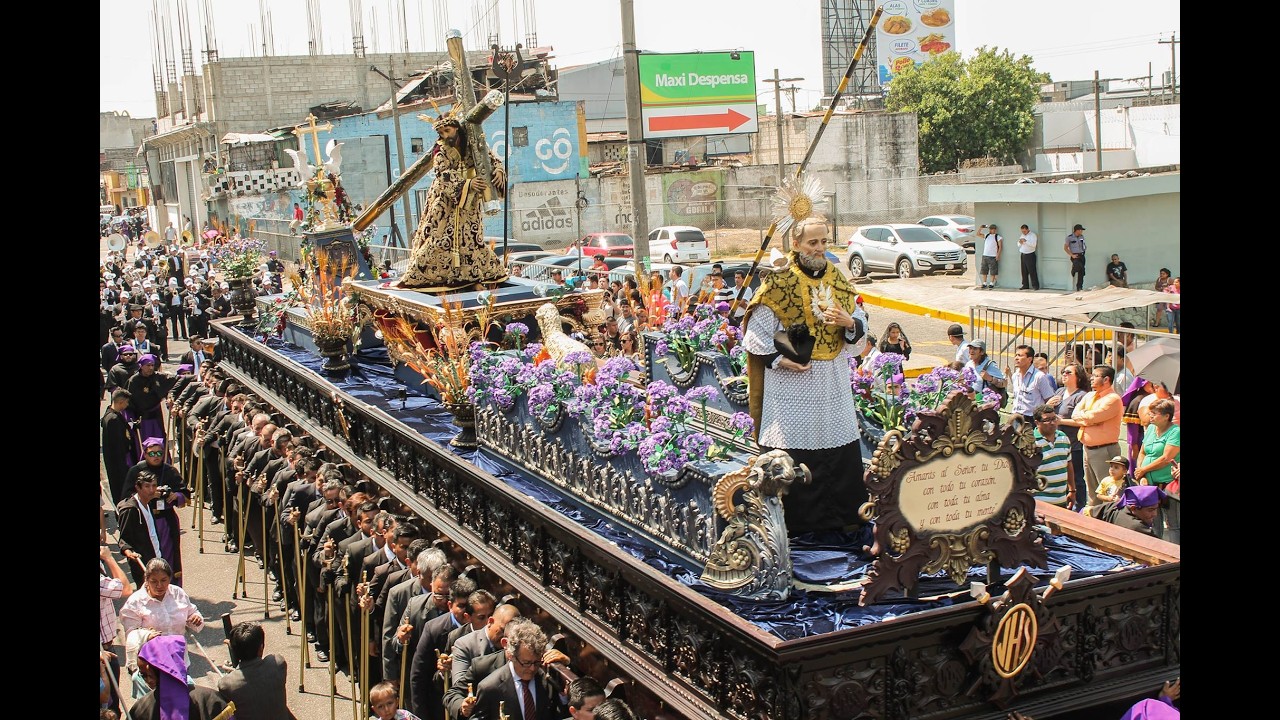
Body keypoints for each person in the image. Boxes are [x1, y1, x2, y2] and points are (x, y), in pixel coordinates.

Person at [743, 215, 868, 534]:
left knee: (840, 458)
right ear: (795, 244)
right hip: (791, 392)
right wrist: (779, 361)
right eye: (813, 242)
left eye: (824, 241)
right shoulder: (778, 281)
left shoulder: (839, 280)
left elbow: (860, 335)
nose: (820, 248)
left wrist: (849, 324)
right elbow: (756, 336)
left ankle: (846, 524)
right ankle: (795, 531)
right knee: (792, 465)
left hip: (833, 389)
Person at [398, 113, 508, 291]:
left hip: (470, 204)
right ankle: (428, 275)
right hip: (446, 203)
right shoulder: (440, 150)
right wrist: (468, 184)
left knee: (471, 239)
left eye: (447, 130)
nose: (445, 135)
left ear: (457, 128)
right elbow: (443, 175)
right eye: (441, 132)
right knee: (438, 239)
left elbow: (491, 160)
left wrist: (498, 171)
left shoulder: (474, 144)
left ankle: (473, 276)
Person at [1058, 364, 1123, 509]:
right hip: (1087, 449)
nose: (1091, 378)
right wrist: (1088, 421)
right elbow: (1075, 415)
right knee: (1093, 492)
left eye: (1095, 376)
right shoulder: (1089, 395)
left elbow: (1093, 416)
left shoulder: (1112, 399)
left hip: (1104, 451)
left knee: (1107, 490)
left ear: (1106, 379)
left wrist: (1087, 420)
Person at [116, 463, 189, 586]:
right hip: (143, 565)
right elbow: (124, 539)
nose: (151, 490)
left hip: (157, 558)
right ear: (137, 488)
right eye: (147, 486)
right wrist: (129, 552)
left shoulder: (149, 503)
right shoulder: (131, 510)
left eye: (154, 486)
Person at [130, 634, 230, 720]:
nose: (148, 680)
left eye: (147, 674)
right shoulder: (209, 699)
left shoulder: (141, 709)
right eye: (143, 675)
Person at [216, 621, 297, 720]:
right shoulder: (277, 664)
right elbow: (257, 685)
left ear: (233, 649)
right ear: (261, 647)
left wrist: (233, 672)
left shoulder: (226, 684)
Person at [118, 558, 205, 641]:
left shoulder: (178, 593)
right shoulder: (135, 602)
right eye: (154, 581)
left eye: (163, 580)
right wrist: (146, 636)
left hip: (178, 652)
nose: (159, 585)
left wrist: (195, 618)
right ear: (147, 580)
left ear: (170, 579)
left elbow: (192, 612)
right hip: (150, 654)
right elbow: (131, 635)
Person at [1046, 362, 1087, 508]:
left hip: (1073, 443)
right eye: (1063, 372)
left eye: (1068, 372)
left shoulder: (1081, 396)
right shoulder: (1060, 392)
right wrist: (1049, 406)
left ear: (1078, 377)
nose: (1064, 374)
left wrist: (1062, 421)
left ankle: (1080, 506)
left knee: (1076, 477)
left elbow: (1083, 420)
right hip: (1057, 442)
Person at [1087, 485, 1165, 537]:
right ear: (1133, 508)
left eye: (1156, 509)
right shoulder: (1138, 528)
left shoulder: (1114, 507)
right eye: (1150, 510)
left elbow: (1087, 511)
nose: (1155, 514)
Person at [102, 388, 134, 504]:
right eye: (126, 402)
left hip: (116, 461)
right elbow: (118, 445)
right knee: (120, 490)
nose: (127, 405)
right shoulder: (113, 420)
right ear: (120, 402)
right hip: (118, 463)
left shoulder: (110, 415)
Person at [1008, 345, 1056, 421]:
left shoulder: (1039, 377)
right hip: (1016, 416)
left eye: (1020, 355)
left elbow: (1050, 399)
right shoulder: (1015, 376)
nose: (1016, 358)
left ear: (1029, 359)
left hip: (1032, 419)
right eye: (1016, 355)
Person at [1064, 224, 1087, 291]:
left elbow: (1083, 245)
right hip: (1075, 255)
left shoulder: (1082, 237)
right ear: (1077, 230)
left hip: (1082, 255)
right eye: (1080, 230)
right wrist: (1071, 255)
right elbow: (1065, 248)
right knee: (1078, 266)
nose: (1081, 231)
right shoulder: (1070, 238)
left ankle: (1079, 287)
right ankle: (1074, 270)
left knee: (1081, 272)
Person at [979, 223, 1002, 289]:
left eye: (994, 229)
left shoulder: (997, 237)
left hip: (993, 256)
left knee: (993, 270)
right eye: (991, 229)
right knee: (984, 270)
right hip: (985, 255)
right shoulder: (987, 235)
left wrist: (998, 255)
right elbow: (978, 234)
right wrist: (981, 228)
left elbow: (1000, 246)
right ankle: (984, 283)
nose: (993, 230)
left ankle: (991, 283)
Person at [1017, 224, 1039, 290]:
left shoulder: (1033, 235)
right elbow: (1018, 244)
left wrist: (1026, 241)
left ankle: (1035, 286)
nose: (1023, 233)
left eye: (1024, 231)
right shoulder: (1022, 235)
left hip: (1030, 255)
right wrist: (1020, 242)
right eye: (1022, 231)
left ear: (1027, 229)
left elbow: (1033, 245)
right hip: (1023, 254)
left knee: (1032, 271)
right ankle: (1025, 285)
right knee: (1023, 271)